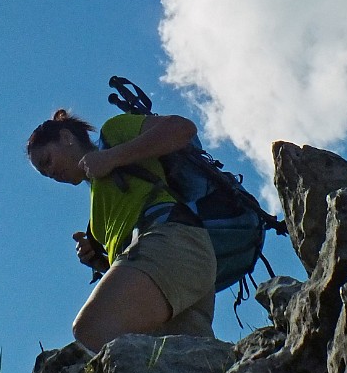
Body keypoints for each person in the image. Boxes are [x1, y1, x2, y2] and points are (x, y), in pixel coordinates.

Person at [27, 108, 217, 352]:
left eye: (47, 161)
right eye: (44, 173)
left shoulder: (114, 132)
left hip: (172, 242)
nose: (51, 173)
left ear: (66, 137)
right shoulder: (97, 203)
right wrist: (99, 261)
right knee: (187, 365)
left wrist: (112, 157)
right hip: (183, 262)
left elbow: (182, 128)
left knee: (91, 329)